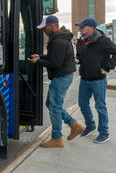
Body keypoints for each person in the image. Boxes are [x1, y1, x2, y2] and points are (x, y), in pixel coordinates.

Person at [28, 15, 85, 148]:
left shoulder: (58, 41)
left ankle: (57, 138)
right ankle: (74, 125)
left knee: (54, 107)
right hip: (64, 76)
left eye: (45, 28)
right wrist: (40, 56)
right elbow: (54, 57)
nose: (44, 31)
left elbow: (55, 62)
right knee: (52, 104)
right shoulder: (60, 39)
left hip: (61, 77)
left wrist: (38, 61)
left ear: (53, 26)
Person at [75, 17, 116, 144]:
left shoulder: (104, 41)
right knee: (82, 104)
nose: (79, 28)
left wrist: (108, 67)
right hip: (84, 79)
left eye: (82, 26)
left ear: (90, 28)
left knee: (100, 106)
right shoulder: (80, 42)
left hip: (98, 80)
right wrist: (78, 59)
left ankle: (104, 133)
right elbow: (80, 55)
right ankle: (90, 126)